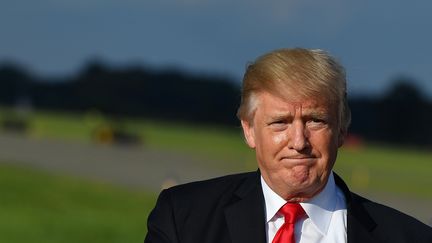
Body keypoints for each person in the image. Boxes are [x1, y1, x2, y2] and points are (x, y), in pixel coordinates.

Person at [144, 48, 432, 243]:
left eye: (315, 121)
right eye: (280, 122)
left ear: (342, 129)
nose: (298, 142)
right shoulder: (183, 219)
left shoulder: (410, 237)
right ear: (249, 130)